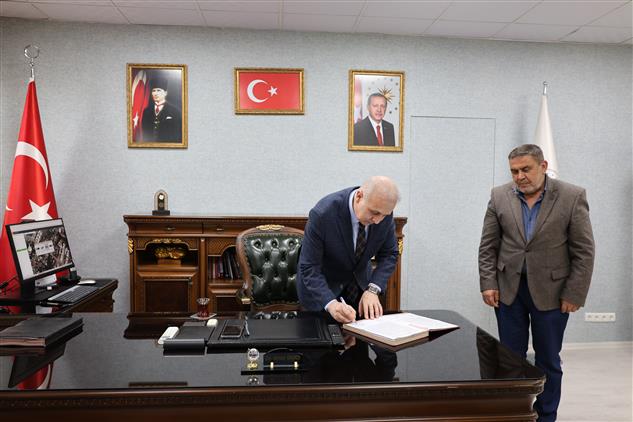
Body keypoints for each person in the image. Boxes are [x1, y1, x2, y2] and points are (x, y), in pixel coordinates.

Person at [478, 144, 595, 422]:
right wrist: (488, 282)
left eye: (526, 169)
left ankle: (546, 416)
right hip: (509, 292)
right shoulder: (499, 196)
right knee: (510, 359)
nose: (520, 176)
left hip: (553, 294)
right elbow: (488, 246)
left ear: (543, 166)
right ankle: (513, 414)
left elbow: (584, 251)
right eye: (514, 171)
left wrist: (574, 293)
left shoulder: (571, 196)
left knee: (548, 360)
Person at [297, 176, 400, 324]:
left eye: (385, 215)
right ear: (359, 197)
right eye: (375, 213)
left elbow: (389, 254)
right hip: (321, 296)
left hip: (361, 294)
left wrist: (373, 289)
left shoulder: (383, 213)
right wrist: (331, 303)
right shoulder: (323, 214)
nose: (378, 220)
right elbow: (309, 267)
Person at [141, 76, 182, 142]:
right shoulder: (146, 111)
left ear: (165, 93)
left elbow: (178, 135)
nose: (155, 93)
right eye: (153, 91)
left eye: (159, 90)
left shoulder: (175, 112)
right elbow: (144, 134)